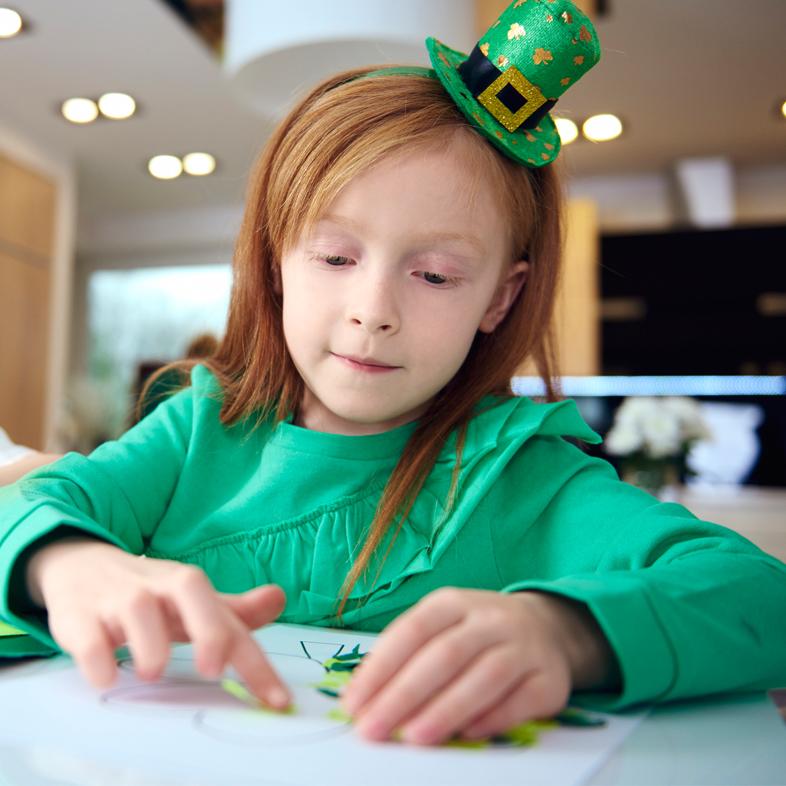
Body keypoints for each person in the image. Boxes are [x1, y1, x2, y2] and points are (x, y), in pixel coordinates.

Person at [0, 0, 784, 749]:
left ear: (500, 298)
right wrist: (65, 561)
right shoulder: (199, 426)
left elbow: (760, 596)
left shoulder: (524, 480)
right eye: (336, 258)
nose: (372, 310)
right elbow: (36, 499)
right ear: (277, 263)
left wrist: (567, 634)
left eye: (437, 275)